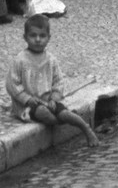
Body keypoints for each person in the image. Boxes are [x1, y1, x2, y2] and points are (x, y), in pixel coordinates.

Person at [5, 14, 98, 146]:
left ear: (48, 38)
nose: (38, 40)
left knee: (64, 113)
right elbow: (12, 84)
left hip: (48, 100)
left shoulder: (51, 60)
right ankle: (64, 121)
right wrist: (27, 98)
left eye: (42, 36)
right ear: (25, 37)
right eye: (33, 35)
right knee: (44, 113)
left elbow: (58, 81)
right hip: (28, 105)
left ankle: (86, 128)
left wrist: (54, 98)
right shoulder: (20, 60)